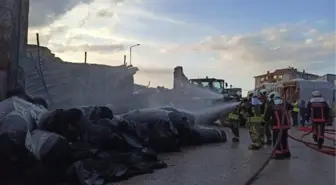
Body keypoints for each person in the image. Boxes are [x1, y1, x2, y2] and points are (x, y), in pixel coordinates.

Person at [264, 94, 292, 159]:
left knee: (277, 140)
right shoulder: (285, 104)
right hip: (285, 126)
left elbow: (266, 118)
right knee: (284, 139)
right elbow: (291, 108)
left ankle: (278, 154)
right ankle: (286, 153)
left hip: (276, 127)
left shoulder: (271, 105)